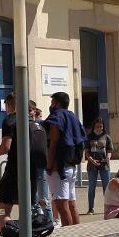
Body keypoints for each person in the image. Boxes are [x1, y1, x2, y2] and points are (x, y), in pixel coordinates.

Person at [0, 94, 48, 233]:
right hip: (31, 171)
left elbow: (6, 147)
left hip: (14, 169)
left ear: (8, 105)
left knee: (5, 210)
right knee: (25, 210)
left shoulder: (10, 120)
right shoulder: (32, 121)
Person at [42, 91, 85, 226]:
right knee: (72, 204)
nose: (51, 105)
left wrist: (49, 165)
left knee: (62, 205)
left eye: (52, 102)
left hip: (58, 167)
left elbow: (53, 143)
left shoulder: (56, 117)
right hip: (71, 165)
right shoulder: (73, 116)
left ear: (57, 103)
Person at [83, 117, 113, 215]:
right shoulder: (89, 136)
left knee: (106, 187)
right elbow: (86, 152)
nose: (99, 128)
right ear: (94, 127)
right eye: (97, 126)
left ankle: (108, 207)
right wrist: (91, 160)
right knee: (92, 187)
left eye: (101, 126)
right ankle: (90, 209)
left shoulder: (107, 137)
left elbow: (109, 151)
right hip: (92, 166)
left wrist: (107, 158)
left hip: (104, 165)